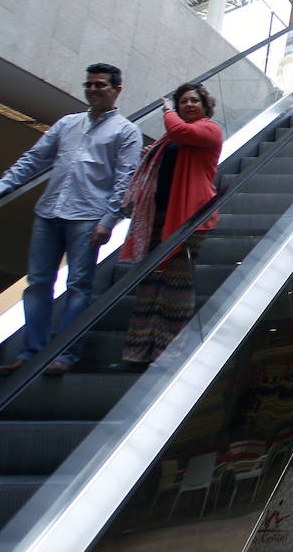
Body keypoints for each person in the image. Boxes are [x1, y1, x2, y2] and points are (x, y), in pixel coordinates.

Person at [0, 63, 142, 376]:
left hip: (88, 218)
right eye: (89, 84)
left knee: (78, 285)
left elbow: (126, 180)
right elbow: (33, 159)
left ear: (116, 90)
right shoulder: (67, 123)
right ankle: (31, 352)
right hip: (49, 212)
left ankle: (65, 356)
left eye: (100, 85)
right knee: (38, 283)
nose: (92, 89)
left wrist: (108, 220)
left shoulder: (126, 131)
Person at [115, 82, 223, 369]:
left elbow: (179, 130)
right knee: (150, 283)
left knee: (177, 284)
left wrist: (167, 109)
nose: (188, 105)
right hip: (158, 216)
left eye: (193, 101)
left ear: (204, 106)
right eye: (183, 101)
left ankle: (169, 354)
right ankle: (138, 351)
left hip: (190, 218)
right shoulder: (170, 138)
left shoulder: (208, 129)